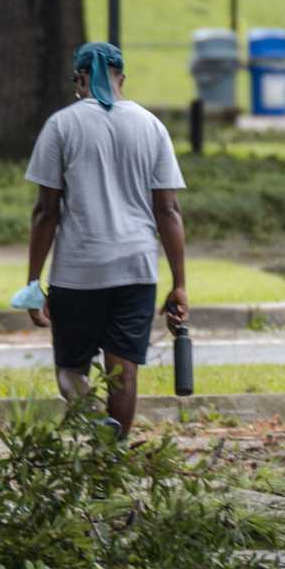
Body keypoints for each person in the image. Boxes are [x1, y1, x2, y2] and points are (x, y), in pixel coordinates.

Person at [21, 38, 188, 438]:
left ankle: (96, 423)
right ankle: (111, 458)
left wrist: (32, 282)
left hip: (78, 271)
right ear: (122, 79)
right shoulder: (152, 126)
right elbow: (168, 210)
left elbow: (47, 211)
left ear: (79, 79)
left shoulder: (61, 126)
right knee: (123, 371)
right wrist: (179, 284)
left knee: (70, 371)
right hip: (136, 268)